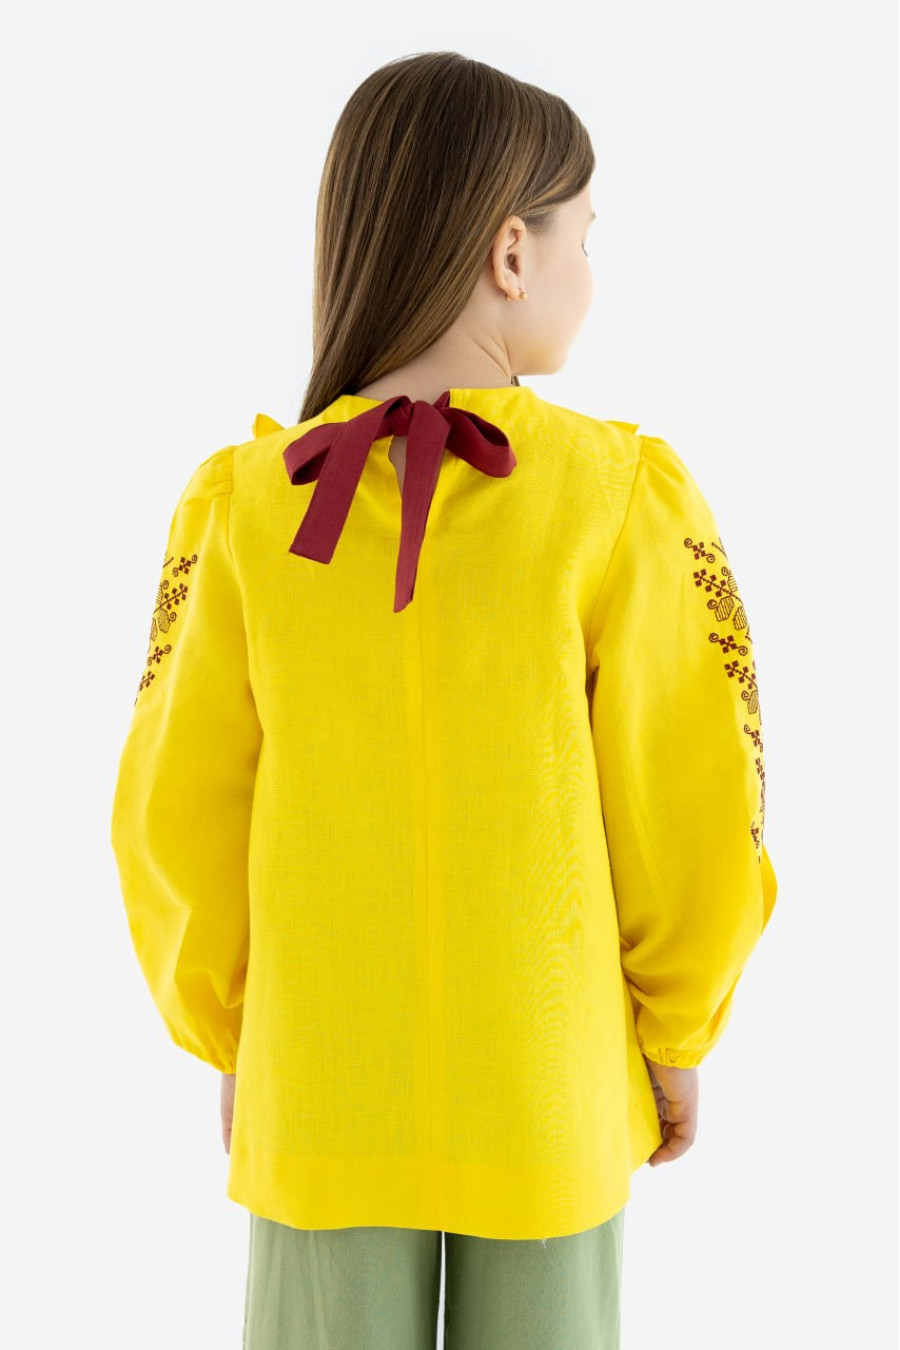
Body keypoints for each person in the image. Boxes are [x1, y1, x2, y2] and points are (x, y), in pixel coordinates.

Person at [109, 50, 778, 1350]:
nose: (592, 269)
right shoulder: (617, 495)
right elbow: (692, 789)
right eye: (587, 235)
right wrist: (678, 1024)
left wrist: (235, 1030)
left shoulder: (241, 509)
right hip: (547, 1089)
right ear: (513, 253)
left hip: (322, 1088)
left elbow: (171, 808)